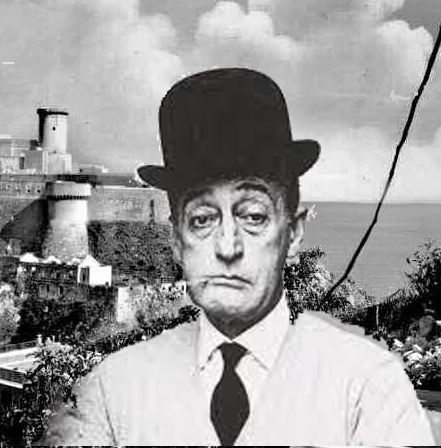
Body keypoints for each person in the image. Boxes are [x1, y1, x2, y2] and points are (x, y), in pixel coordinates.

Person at [46, 68, 435, 445]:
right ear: (176, 239)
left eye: (253, 217)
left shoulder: (368, 392)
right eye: (202, 219)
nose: (227, 247)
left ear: (293, 231)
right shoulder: (116, 392)